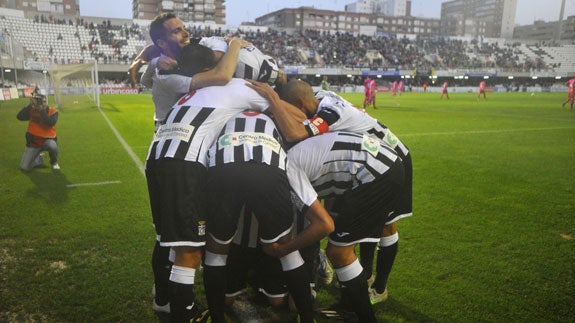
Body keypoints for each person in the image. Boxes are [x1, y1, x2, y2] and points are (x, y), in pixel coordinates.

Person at [247, 79, 413, 305]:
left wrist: (274, 100)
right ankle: (363, 275)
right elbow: (301, 111)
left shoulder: (331, 113)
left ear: (300, 102)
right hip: (364, 163)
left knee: (385, 226)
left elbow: (297, 133)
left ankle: (379, 287)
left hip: (390, 158)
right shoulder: (320, 97)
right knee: (358, 229)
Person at [135, 13, 251, 317]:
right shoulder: (169, 75)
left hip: (171, 147)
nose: (186, 34)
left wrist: (149, 59)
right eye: (177, 31)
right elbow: (222, 76)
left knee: (168, 237)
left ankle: (163, 298)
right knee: (173, 240)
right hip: (175, 146)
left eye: (184, 28)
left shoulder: (170, 60)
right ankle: (170, 301)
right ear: (162, 41)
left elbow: (145, 66)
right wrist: (235, 44)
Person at [202, 110, 333, 322]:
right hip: (269, 164)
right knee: (287, 253)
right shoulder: (280, 135)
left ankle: (216, 318)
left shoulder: (226, 115)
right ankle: (308, 319)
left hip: (224, 161)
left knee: (216, 252)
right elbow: (325, 223)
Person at [266, 131, 406, 323]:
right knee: (342, 246)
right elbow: (332, 179)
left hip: (376, 174)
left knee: (339, 252)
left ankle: (364, 317)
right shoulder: (290, 156)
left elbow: (324, 225)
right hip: (382, 163)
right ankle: (352, 306)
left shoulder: (286, 170)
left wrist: (283, 249)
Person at [17, 93, 60, 172]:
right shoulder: (32, 110)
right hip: (34, 142)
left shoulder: (53, 111)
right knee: (24, 167)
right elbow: (19, 117)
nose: (42, 104)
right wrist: (29, 105)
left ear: (46, 102)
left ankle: (54, 163)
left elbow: (50, 123)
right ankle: (38, 159)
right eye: (39, 101)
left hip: (48, 140)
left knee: (53, 146)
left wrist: (41, 111)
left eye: (43, 101)